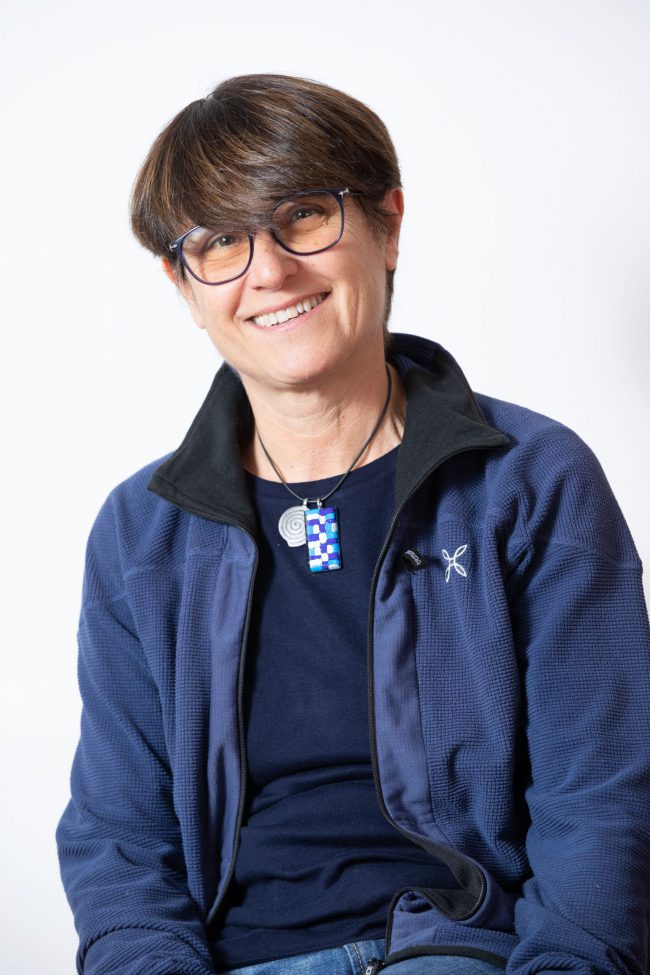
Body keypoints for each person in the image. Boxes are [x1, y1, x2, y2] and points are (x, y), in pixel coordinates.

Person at [56, 74, 650, 975]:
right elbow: (119, 839)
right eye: (221, 241)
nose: (269, 272)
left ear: (388, 223)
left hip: (464, 948)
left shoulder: (531, 480)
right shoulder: (142, 535)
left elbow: (602, 796)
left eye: (302, 216)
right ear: (184, 283)